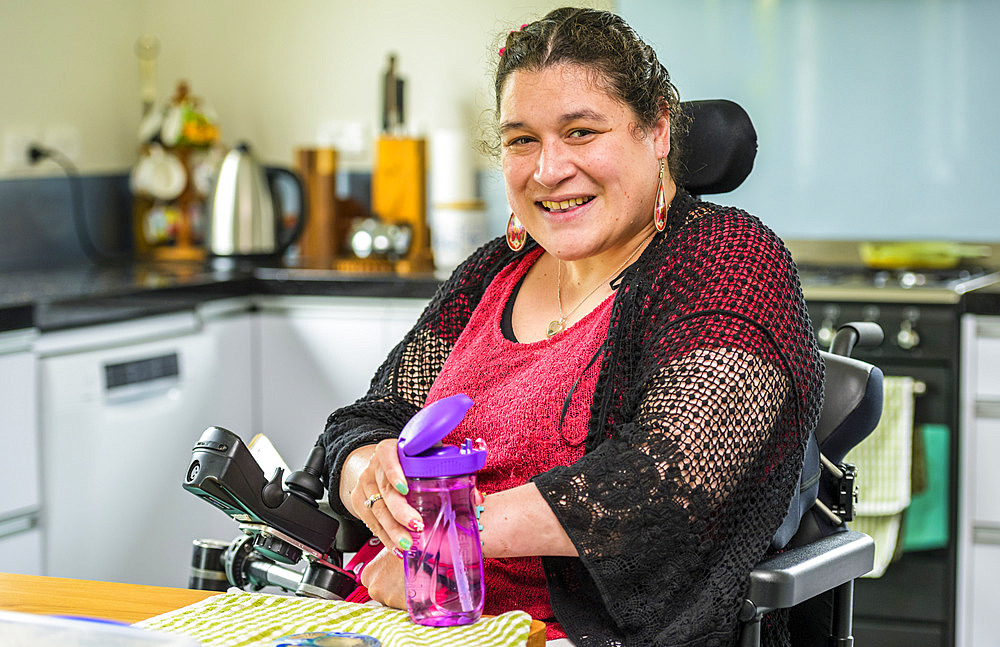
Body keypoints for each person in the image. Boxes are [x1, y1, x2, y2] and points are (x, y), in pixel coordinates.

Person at [318, 7, 823, 646]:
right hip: (401, 617)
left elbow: (664, 479)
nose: (548, 169)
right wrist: (370, 478)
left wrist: (446, 532)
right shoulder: (493, 271)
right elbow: (365, 419)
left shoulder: (727, 261)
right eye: (522, 139)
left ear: (658, 131)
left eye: (581, 132)